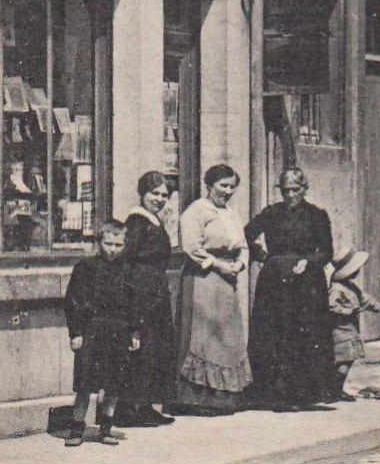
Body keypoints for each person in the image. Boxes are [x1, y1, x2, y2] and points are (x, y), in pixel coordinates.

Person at [245, 168, 336, 410]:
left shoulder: (317, 216)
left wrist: (309, 262)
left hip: (307, 283)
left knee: (304, 334)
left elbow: (327, 251)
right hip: (275, 281)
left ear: (305, 189)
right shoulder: (272, 213)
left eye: (295, 190)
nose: (290, 195)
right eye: (286, 191)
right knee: (275, 334)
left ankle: (304, 393)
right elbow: (247, 233)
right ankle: (276, 394)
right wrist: (260, 254)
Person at [63, 219, 154, 447]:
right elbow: (73, 302)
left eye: (118, 245)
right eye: (108, 243)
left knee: (113, 384)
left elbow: (135, 303)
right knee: (85, 384)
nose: (112, 249)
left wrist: (135, 331)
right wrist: (76, 333)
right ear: (99, 241)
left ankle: (105, 428)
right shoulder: (86, 268)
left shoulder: (128, 270)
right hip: (92, 330)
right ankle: (76, 428)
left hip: (119, 331)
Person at [172, 164, 252, 413]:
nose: (227, 191)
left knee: (226, 336)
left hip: (228, 280)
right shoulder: (196, 211)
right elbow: (192, 247)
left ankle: (223, 397)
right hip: (203, 277)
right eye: (222, 186)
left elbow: (243, 245)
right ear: (209, 185)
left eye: (231, 187)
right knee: (203, 334)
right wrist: (218, 265)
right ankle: (195, 398)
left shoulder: (231, 213)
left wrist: (239, 263)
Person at [117, 172, 177, 427]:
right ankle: (129, 408)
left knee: (155, 348)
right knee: (141, 347)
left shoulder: (154, 220)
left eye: (164, 195)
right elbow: (126, 260)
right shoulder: (137, 222)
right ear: (142, 193)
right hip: (141, 292)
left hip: (155, 291)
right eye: (155, 193)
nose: (160, 199)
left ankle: (145, 405)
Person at [327, 247, 380, 401]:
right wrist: (348, 311)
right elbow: (332, 307)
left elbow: (365, 299)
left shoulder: (351, 287)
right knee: (342, 362)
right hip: (341, 331)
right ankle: (334, 389)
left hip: (351, 330)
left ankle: (336, 389)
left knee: (348, 360)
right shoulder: (337, 289)